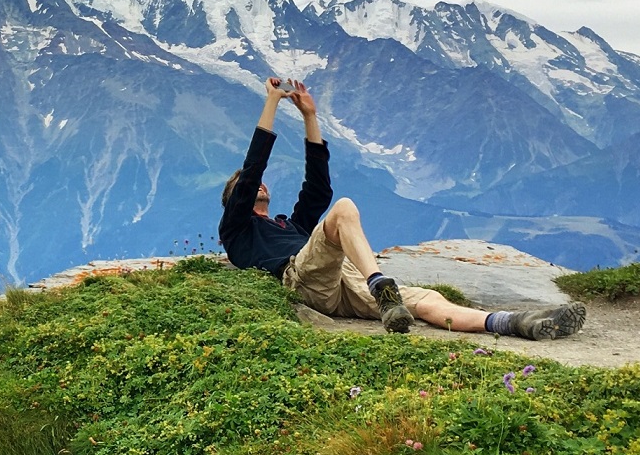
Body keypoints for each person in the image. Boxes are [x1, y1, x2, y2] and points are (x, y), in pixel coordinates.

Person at [218, 76, 587, 340]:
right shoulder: (237, 230)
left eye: (260, 186)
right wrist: (270, 103)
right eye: (245, 188)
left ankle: (514, 322)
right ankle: (381, 285)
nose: (258, 186)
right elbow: (253, 170)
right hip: (300, 278)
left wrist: (310, 117)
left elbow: (317, 190)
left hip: (338, 284)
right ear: (235, 199)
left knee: (426, 300)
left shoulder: (289, 226)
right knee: (345, 208)